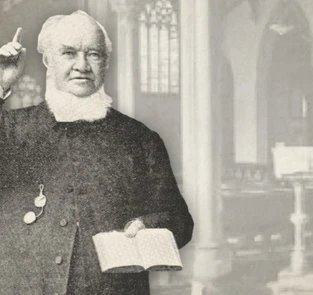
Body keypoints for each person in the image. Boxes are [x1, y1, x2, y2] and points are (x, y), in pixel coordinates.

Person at [0, 10, 194, 295]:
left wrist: (146, 226)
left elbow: (179, 220)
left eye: (93, 54)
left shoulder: (139, 139)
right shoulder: (11, 129)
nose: (82, 65)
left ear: (106, 63)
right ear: (47, 61)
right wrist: (1, 83)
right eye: (68, 53)